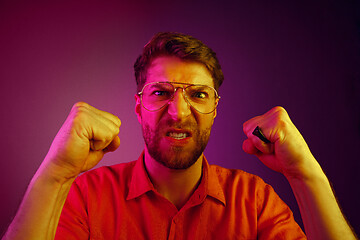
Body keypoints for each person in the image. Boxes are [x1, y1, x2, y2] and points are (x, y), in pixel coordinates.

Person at [2, 32, 357, 240]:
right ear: (139, 106)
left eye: (198, 94)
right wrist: (55, 172)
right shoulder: (85, 197)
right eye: (161, 93)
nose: (179, 112)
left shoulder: (255, 202)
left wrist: (304, 173)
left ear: (215, 108)